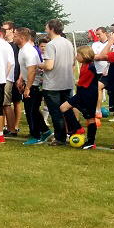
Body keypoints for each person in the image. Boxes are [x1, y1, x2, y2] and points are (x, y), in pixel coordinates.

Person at [39, 19, 75, 147]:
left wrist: (39, 65)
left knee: (56, 112)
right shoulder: (68, 42)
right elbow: (73, 62)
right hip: (67, 81)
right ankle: (73, 134)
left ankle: (60, 138)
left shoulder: (51, 45)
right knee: (67, 111)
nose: (45, 30)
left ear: (52, 29)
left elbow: (49, 65)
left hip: (53, 84)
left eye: (46, 27)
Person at [59, 46, 100, 149]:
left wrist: (77, 82)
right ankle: (77, 128)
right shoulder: (84, 65)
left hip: (88, 96)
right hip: (81, 94)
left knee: (90, 119)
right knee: (63, 107)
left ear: (84, 56)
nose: (76, 57)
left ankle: (91, 142)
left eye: (78, 55)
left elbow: (82, 83)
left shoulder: (90, 67)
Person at [15, 27, 50, 145]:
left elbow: (32, 70)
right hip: (29, 83)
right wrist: (21, 79)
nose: (14, 38)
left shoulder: (28, 51)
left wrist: (28, 88)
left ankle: (36, 136)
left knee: (31, 112)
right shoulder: (22, 50)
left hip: (34, 85)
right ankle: (45, 131)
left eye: (15, 36)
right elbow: (24, 68)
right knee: (32, 110)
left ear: (22, 37)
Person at [1, 21, 22, 136]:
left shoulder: (16, 44)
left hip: (16, 76)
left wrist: (19, 77)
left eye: (5, 29)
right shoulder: (3, 43)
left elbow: (20, 62)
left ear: (12, 30)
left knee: (16, 102)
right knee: (5, 102)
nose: (3, 31)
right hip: (6, 77)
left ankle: (15, 126)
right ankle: (6, 125)